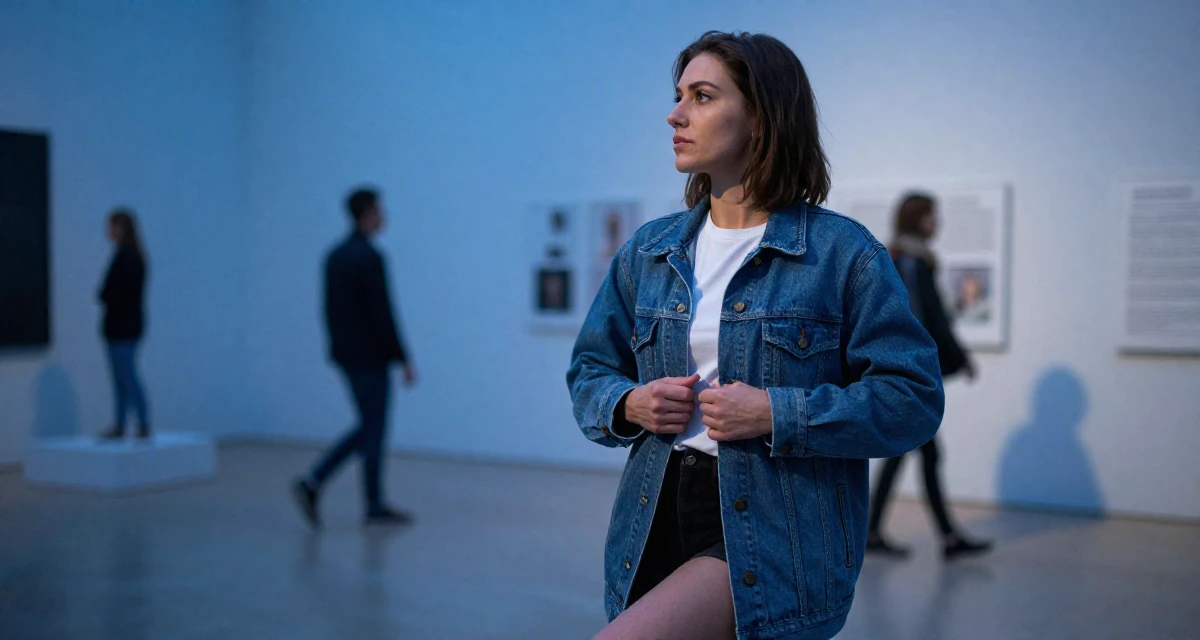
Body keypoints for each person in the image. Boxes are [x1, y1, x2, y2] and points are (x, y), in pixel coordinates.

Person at [567, 32, 944, 640]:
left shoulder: (841, 254)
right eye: (678, 95)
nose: (675, 114)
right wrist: (630, 403)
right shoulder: (650, 252)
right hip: (655, 511)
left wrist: (776, 413)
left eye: (702, 96)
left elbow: (913, 400)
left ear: (761, 118)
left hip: (774, 526)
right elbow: (589, 370)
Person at [865, 193, 992, 560]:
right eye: (932, 216)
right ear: (918, 218)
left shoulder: (894, 257)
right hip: (912, 370)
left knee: (911, 451)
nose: (937, 223)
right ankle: (946, 537)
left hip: (899, 365)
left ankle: (877, 531)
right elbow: (930, 317)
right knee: (924, 451)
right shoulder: (914, 262)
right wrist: (961, 357)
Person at [292, 187, 417, 528]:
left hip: (347, 355)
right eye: (379, 211)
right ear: (368, 214)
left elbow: (329, 311)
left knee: (369, 426)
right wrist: (403, 358)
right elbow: (383, 313)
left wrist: (338, 349)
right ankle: (321, 483)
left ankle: (351, 495)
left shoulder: (335, 256)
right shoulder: (370, 258)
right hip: (371, 357)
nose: (384, 217)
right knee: (372, 428)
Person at [98, 209, 150, 440]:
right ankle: (123, 424)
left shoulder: (126, 257)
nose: (108, 231)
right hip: (125, 325)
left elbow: (111, 291)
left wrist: (105, 294)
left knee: (126, 377)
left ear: (120, 227)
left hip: (122, 326)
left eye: (111, 226)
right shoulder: (133, 255)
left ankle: (140, 423)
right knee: (122, 378)